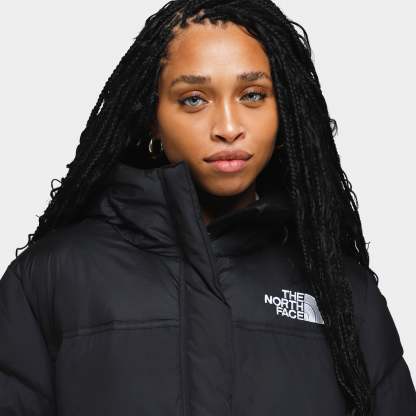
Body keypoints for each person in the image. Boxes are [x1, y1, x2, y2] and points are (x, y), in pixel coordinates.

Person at [1, 1, 415, 415]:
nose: (229, 128)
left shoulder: (344, 291)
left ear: (284, 110)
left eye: (253, 95)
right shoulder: (50, 279)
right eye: (194, 99)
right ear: (153, 118)